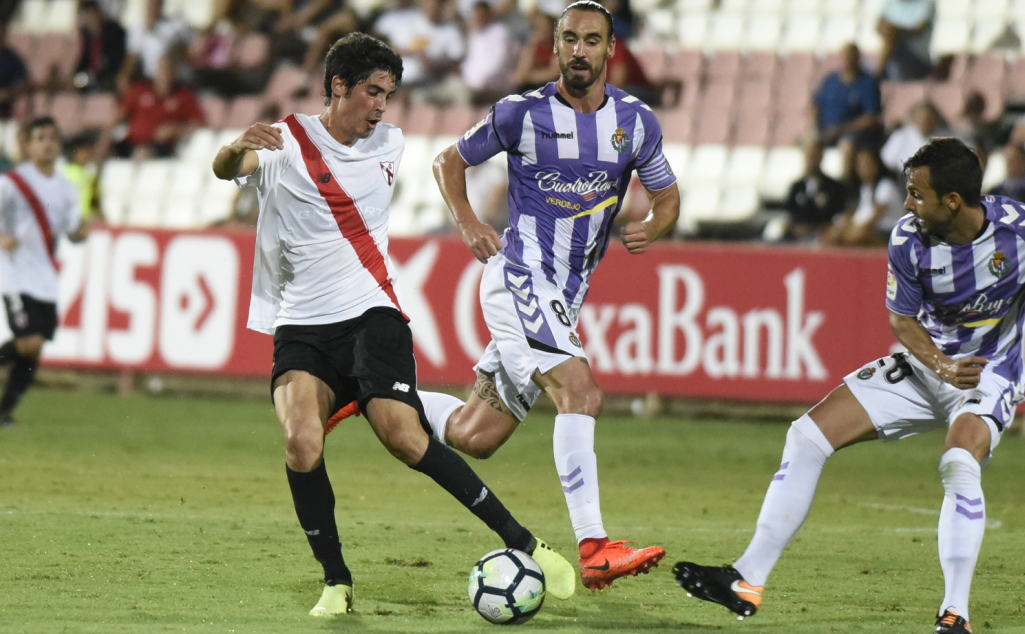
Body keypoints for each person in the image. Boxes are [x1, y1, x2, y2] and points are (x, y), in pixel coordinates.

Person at [673, 137, 1025, 633]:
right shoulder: (909, 237)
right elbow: (902, 319)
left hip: (989, 372)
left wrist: (953, 370)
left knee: (958, 463)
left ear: (952, 201)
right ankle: (746, 577)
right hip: (927, 363)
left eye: (916, 194)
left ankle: (955, 615)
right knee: (807, 435)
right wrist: (940, 365)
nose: (907, 203)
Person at [211, 33, 574, 617]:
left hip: (372, 314)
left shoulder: (392, 144)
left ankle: (528, 544)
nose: (382, 106)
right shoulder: (288, 141)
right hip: (302, 324)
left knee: (405, 438)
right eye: (373, 92)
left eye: (390, 93)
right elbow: (228, 167)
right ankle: (336, 582)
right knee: (301, 442)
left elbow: (451, 160)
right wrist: (233, 148)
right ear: (338, 86)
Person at [331, 1, 677, 591]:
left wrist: (655, 225)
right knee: (581, 393)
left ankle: (373, 395)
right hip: (520, 275)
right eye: (569, 38)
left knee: (475, 435)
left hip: (565, 294)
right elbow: (448, 161)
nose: (579, 50)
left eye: (592, 40)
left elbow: (667, 193)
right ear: (556, 46)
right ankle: (594, 547)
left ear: (610, 49)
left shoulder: (637, 122)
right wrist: (466, 222)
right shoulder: (522, 112)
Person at [0, 118, 90, 427]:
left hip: (45, 277)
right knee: (29, 342)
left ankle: (4, 412)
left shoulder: (67, 188)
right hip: (13, 273)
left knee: (33, 350)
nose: (48, 143)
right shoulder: (12, 183)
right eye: (40, 138)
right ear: (28, 145)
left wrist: (81, 232)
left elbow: (72, 232)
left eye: (52, 137)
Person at [111, 55, 206, 159]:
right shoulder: (139, 90)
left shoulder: (184, 96)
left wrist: (176, 129)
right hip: (131, 144)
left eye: (168, 70)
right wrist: (104, 145)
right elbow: (117, 118)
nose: (165, 75)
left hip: (162, 148)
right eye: (162, 70)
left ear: (175, 74)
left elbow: (200, 124)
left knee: (143, 154)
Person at [813, 43, 883, 180]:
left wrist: (841, 129)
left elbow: (871, 117)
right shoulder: (831, 80)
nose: (847, 60)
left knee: (847, 146)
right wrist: (815, 127)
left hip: (852, 133)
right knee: (810, 142)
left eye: (851, 57)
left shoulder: (867, 83)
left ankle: (845, 185)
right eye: (845, 57)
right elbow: (816, 105)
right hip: (826, 131)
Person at [830, 147, 904, 246]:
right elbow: (861, 214)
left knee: (857, 236)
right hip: (875, 229)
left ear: (877, 165)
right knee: (835, 233)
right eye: (860, 165)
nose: (863, 169)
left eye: (867, 164)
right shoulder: (866, 188)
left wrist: (853, 231)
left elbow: (873, 218)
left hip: (891, 232)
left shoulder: (886, 186)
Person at [784, 137, 846, 243]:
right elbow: (788, 215)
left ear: (822, 156)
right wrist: (795, 228)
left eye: (815, 154)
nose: (812, 159)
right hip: (798, 239)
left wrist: (820, 229)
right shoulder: (796, 187)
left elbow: (839, 217)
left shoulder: (834, 187)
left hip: (826, 239)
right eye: (809, 155)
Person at [74, 0, 128, 93]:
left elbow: (115, 62)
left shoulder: (114, 33)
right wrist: (75, 77)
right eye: (88, 16)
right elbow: (83, 61)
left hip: (108, 78)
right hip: (90, 78)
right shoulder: (87, 36)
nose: (91, 19)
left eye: (93, 15)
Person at [881, 101, 949, 174]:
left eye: (929, 118)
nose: (925, 121)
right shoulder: (901, 136)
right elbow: (887, 158)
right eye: (922, 118)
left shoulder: (945, 138)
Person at [876, 0, 934, 81]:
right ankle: (880, 72)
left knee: (892, 36)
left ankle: (878, 73)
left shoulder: (926, 4)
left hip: (917, 58)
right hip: (894, 55)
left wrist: (895, 31)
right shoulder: (891, 3)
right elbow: (878, 27)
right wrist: (890, 31)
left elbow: (919, 31)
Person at [987, 143, 1025, 207]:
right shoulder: (997, 190)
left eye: (1014, 160)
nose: (1010, 164)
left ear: (1024, 161)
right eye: (1008, 160)